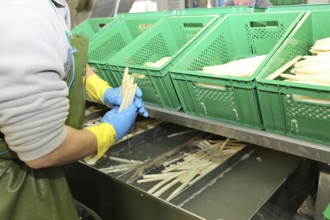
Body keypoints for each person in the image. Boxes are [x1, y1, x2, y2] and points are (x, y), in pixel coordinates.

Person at [0, 0, 147, 219]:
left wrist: (102, 90)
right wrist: (108, 131)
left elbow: (62, 52)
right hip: (12, 188)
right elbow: (44, 149)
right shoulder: (21, 13)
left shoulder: (41, 9)